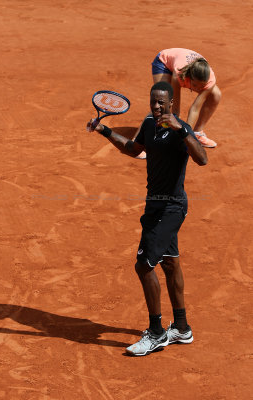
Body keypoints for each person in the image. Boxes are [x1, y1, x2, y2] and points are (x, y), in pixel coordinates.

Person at [87, 81, 207, 356]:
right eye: (153, 101)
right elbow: (133, 148)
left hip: (171, 208)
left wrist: (182, 131)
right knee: (170, 263)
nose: (156, 106)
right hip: (155, 207)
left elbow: (202, 159)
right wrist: (105, 130)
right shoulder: (150, 124)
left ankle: (156, 333)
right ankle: (181, 327)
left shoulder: (180, 129)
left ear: (171, 103)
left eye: (161, 102)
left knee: (144, 266)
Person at [150, 48, 221, 148]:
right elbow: (175, 107)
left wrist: (188, 136)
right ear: (188, 78)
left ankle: (197, 133)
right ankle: (143, 139)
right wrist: (178, 131)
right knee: (163, 102)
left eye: (202, 86)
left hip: (183, 66)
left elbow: (195, 108)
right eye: (196, 85)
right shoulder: (179, 75)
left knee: (216, 95)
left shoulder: (210, 81)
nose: (200, 89)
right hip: (164, 63)